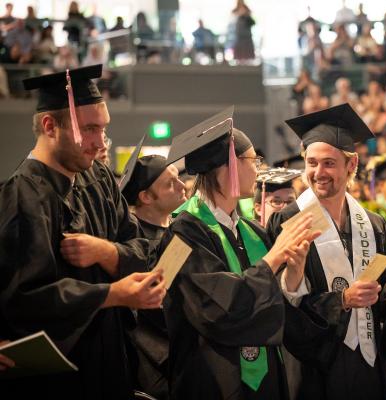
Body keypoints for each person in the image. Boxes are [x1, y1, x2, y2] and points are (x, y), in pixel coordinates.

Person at [0, 64, 164, 398]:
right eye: (89, 129)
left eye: (102, 128)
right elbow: (25, 298)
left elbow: (141, 247)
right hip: (62, 374)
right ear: (50, 127)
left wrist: (107, 252)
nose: (98, 142)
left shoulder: (99, 178)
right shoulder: (23, 195)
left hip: (113, 357)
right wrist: (112, 293)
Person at [155, 107, 318, 399]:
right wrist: (272, 260)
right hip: (213, 380)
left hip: (266, 380)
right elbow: (212, 309)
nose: (257, 169)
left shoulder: (253, 233)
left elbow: (277, 308)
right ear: (229, 164)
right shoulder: (179, 235)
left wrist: (293, 274)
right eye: (252, 160)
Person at [268, 103, 386, 400]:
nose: (318, 172)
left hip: (366, 360)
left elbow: (380, 300)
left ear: (352, 165)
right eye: (311, 163)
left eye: (328, 163)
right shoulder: (288, 221)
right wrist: (342, 300)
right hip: (314, 365)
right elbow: (281, 306)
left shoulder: (375, 226)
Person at [118, 146, 186, 400]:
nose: (182, 185)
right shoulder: (132, 242)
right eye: (171, 183)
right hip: (154, 357)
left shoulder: (184, 228)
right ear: (146, 196)